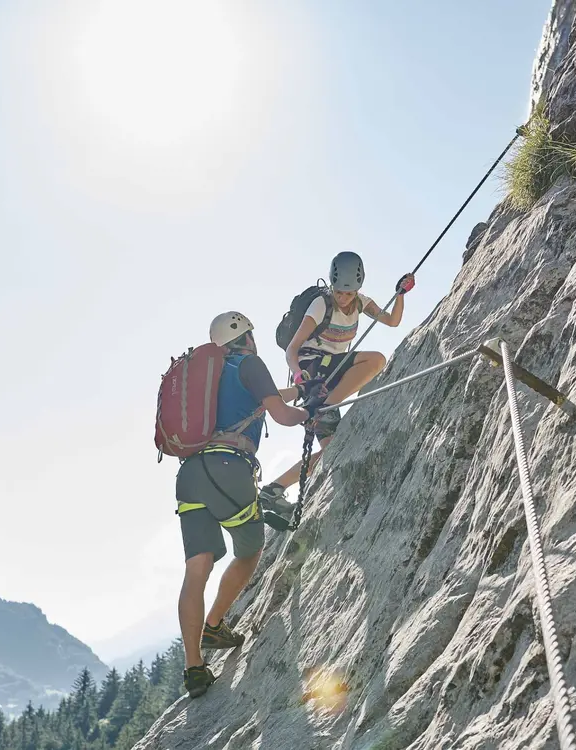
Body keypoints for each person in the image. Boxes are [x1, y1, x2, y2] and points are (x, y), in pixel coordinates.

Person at [176, 311, 314, 698]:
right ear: (248, 336)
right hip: (229, 469)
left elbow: (264, 399)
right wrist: (309, 411)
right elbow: (281, 415)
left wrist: (298, 392)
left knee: (196, 570)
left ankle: (194, 668)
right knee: (251, 550)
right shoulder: (249, 363)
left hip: (191, 475)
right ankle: (214, 625)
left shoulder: (208, 375)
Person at [258, 251, 415, 517]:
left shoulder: (362, 303)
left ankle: (273, 489)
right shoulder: (321, 305)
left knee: (332, 451)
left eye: (348, 293)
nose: (342, 298)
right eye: (339, 292)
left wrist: (400, 294)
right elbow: (292, 349)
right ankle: (323, 406)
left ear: (357, 289)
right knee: (376, 360)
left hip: (330, 374)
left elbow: (392, 321)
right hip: (313, 367)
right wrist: (298, 374)